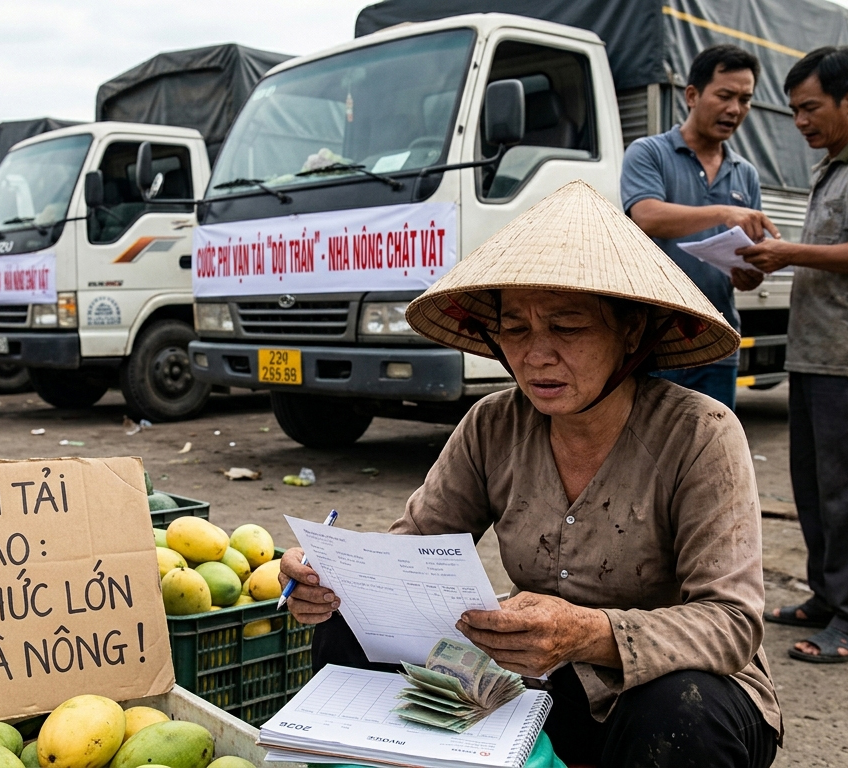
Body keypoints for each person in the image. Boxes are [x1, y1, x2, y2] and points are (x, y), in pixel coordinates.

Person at [282, 181, 781, 767]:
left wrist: (587, 632)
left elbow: (730, 623)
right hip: (537, 680)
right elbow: (411, 550)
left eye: (567, 328)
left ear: (632, 331)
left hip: (662, 694)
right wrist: (335, 575)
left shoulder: (701, 433)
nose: (536, 354)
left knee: (679, 710)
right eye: (516, 328)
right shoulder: (493, 424)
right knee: (345, 628)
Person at [739, 47, 848, 664]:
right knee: (815, 489)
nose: (801, 122)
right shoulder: (831, 168)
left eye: (810, 108)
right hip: (815, 355)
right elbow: (838, 251)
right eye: (794, 111)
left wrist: (792, 255)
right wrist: (782, 251)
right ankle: (828, 597)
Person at [622, 44, 777, 410]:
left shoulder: (746, 174)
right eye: (725, 96)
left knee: (710, 455)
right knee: (648, 456)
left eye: (745, 99)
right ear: (692, 95)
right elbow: (646, 216)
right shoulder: (649, 153)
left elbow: (745, 260)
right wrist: (723, 213)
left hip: (717, 342)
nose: (735, 109)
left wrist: (750, 274)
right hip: (654, 343)